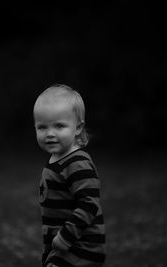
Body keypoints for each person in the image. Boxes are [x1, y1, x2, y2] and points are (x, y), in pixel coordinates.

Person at [33, 84, 106, 267]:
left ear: (78, 128)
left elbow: (89, 204)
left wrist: (66, 237)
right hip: (61, 246)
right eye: (42, 127)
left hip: (80, 246)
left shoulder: (77, 163)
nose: (50, 134)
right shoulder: (57, 159)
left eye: (59, 126)